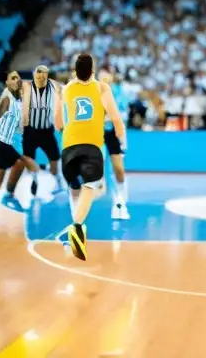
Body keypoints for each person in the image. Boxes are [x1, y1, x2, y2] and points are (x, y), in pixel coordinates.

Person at [56, 54, 126, 262]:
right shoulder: (101, 88)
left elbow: (58, 123)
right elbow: (115, 117)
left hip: (68, 146)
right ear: (93, 70)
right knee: (93, 186)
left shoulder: (67, 88)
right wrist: (120, 135)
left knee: (75, 188)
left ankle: (74, 232)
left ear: (74, 70)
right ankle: (74, 228)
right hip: (92, 146)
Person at [0, 71, 40, 225]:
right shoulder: (6, 98)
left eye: (18, 78)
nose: (16, 80)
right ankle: (11, 194)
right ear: (6, 83)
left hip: (7, 142)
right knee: (25, 162)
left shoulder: (19, 101)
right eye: (12, 78)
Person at [21, 65, 63, 194]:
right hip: (30, 131)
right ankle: (34, 180)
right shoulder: (26, 87)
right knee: (28, 160)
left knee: (55, 161)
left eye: (43, 75)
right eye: (38, 74)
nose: (40, 77)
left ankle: (58, 180)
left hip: (46, 131)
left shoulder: (55, 87)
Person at [99, 71, 130, 220]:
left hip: (114, 133)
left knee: (118, 169)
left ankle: (122, 201)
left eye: (107, 78)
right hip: (96, 132)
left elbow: (122, 114)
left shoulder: (119, 93)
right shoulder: (93, 94)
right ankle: (115, 201)